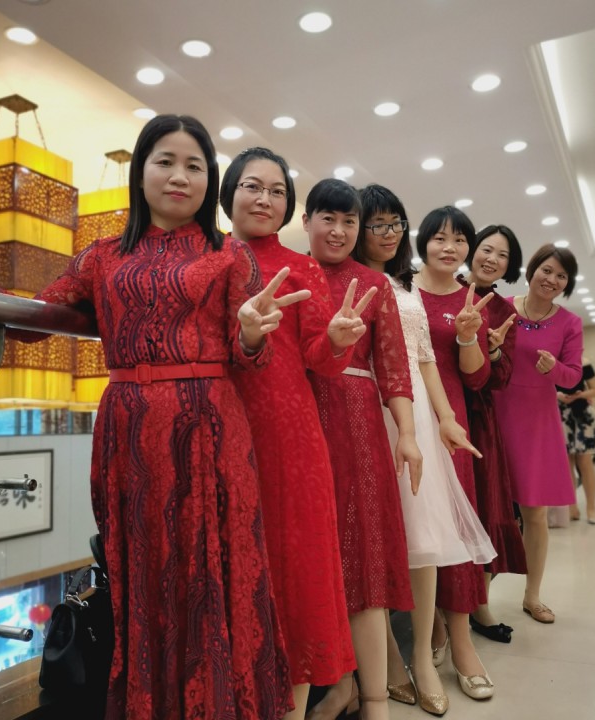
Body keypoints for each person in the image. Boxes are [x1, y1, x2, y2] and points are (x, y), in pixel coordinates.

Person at [0, 115, 308, 720]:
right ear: (141, 171)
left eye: (194, 165)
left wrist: (250, 335)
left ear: (209, 178)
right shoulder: (102, 255)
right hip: (128, 430)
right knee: (141, 573)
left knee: (211, 572)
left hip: (208, 427)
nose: (180, 176)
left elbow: (249, 361)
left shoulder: (228, 253)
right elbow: (36, 318)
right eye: (165, 161)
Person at [219, 148, 375, 720]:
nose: (265, 199)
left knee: (297, 571)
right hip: (217, 427)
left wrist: (335, 340)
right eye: (253, 186)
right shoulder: (206, 258)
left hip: (291, 438)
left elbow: (319, 361)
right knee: (229, 568)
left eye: (278, 191)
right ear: (228, 192)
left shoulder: (302, 268)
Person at [353, 184, 496, 716]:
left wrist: (447, 419)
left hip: (415, 415)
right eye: (377, 224)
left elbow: (425, 360)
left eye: (396, 223)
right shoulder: (349, 280)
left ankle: (422, 655)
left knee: (425, 535)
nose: (388, 233)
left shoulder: (405, 286)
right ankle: (390, 658)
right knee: (374, 536)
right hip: (366, 406)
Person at [304, 179, 420, 720]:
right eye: (327, 218)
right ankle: (340, 686)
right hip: (301, 419)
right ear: (306, 221)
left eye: (349, 221)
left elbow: (394, 369)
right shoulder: (293, 275)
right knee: (319, 559)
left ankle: (375, 698)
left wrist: (409, 434)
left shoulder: (374, 283)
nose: (338, 230)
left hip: (357, 422)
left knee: (364, 557)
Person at [413, 206, 495, 702]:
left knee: (457, 526)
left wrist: (467, 334)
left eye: (460, 240)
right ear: (423, 241)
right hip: (404, 415)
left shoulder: (469, 297)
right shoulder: (400, 289)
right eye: (440, 237)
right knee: (418, 527)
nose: (450, 247)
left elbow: (476, 376)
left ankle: (461, 641)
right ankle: (430, 627)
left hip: (450, 422)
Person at [494, 244, 583, 624]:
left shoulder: (570, 323)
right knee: (489, 509)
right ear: (532, 270)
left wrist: (555, 370)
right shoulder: (501, 308)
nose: (552, 279)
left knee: (535, 513)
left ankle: (532, 596)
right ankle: (474, 600)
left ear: (567, 284)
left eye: (561, 276)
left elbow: (573, 376)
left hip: (538, 421)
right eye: (547, 270)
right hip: (496, 411)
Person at [462, 224, 527, 642]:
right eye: (487, 249)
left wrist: (494, 349)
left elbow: (501, 379)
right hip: (435, 406)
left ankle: (479, 606)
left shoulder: (505, 312)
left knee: (485, 508)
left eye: (502, 255)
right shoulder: (441, 289)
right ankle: (441, 613)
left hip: (479, 420)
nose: (492, 259)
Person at [557, 357, 595, 524]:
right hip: (560, 414)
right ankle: (572, 507)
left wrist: (579, 395)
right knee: (566, 464)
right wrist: (558, 395)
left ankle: (591, 508)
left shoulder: (583, 361)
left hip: (582, 414)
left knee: (585, 462)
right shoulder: (551, 360)